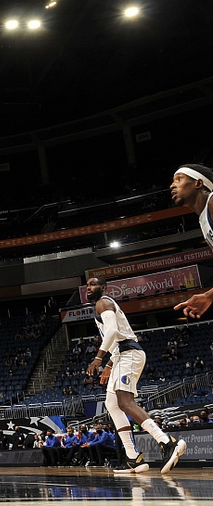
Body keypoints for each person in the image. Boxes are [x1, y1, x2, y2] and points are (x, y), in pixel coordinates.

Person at [85, 277, 187, 473]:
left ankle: (167, 442)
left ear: (104, 287)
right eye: (87, 285)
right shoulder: (101, 305)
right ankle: (133, 458)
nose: (89, 288)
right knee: (112, 405)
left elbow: (113, 331)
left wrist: (99, 358)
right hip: (120, 356)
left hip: (129, 354)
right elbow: (116, 339)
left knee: (125, 402)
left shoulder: (103, 302)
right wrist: (109, 364)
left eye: (94, 284)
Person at [170, 164, 213, 318]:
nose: (172, 185)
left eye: (179, 179)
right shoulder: (204, 218)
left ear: (198, 183)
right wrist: (209, 296)